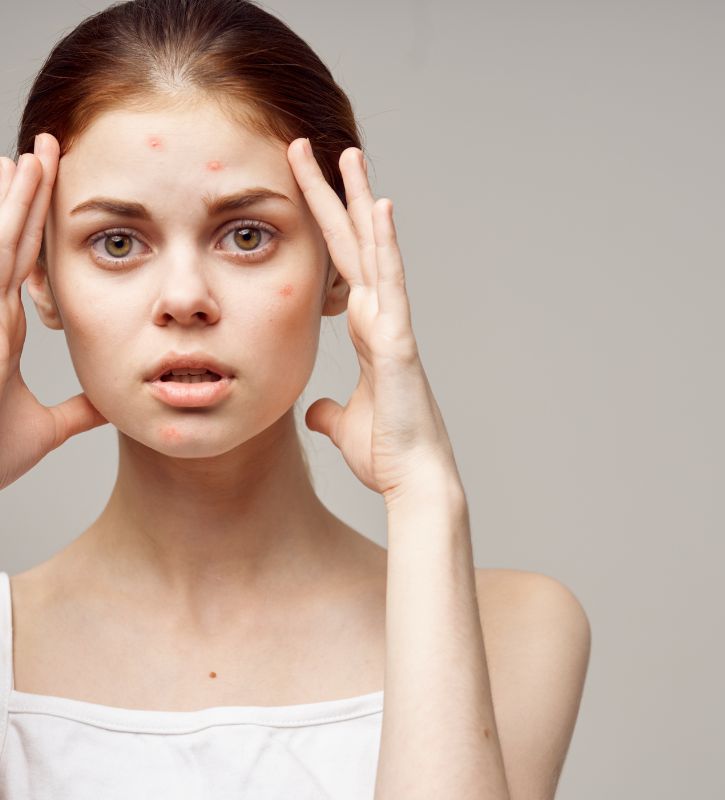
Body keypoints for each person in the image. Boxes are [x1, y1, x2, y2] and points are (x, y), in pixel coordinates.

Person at [0, 0, 591, 797]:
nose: (185, 298)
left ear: (340, 264)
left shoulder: (516, 629)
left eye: (246, 234)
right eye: (116, 242)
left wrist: (423, 493)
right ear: (37, 281)